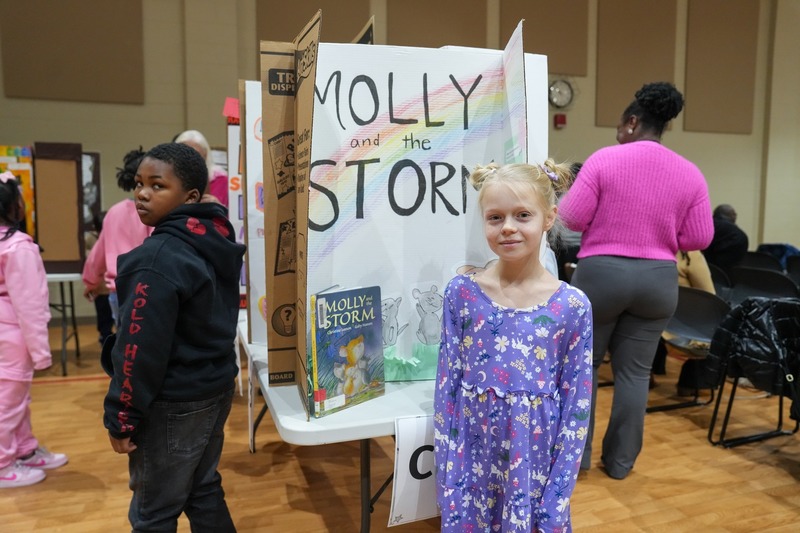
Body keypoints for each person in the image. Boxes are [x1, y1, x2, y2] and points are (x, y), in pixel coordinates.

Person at [559, 82, 714, 480]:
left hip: (602, 275)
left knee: (586, 370)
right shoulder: (691, 173)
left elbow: (572, 218)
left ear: (632, 122)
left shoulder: (604, 161)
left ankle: (577, 462)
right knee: (634, 375)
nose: (617, 133)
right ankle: (621, 464)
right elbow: (699, 239)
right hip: (657, 281)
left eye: (618, 126)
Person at [434, 161, 593, 532]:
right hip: (470, 470)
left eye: (522, 215)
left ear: (549, 218)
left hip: (532, 473)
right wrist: (447, 477)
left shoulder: (571, 307)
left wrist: (557, 495)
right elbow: (447, 390)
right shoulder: (462, 294)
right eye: (495, 217)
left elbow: (577, 409)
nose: (507, 227)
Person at [102, 143, 245, 531]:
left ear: (191, 196)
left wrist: (121, 416)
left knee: (154, 512)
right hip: (214, 389)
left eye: (157, 185)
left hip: (175, 402)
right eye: (138, 183)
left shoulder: (157, 259)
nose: (142, 193)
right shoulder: (215, 237)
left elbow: (138, 351)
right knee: (202, 489)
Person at [0, 171, 68, 488]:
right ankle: (3, 464)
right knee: (9, 403)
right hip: (12, 336)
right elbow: (29, 305)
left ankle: (24, 450)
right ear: (16, 206)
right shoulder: (18, 248)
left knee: (16, 399)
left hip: (7, 333)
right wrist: (41, 354)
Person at [82, 148, 151, 328]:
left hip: (117, 291)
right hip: (144, 292)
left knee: (123, 342)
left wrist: (91, 281)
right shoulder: (152, 213)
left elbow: (98, 252)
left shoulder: (114, 211)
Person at [174, 129, 229, 208]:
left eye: (196, 155)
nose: (190, 160)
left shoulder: (221, 180)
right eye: (184, 155)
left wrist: (219, 207)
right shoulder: (169, 180)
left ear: (205, 155)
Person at [702, 204, 748, 274]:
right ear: (733, 215)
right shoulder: (737, 234)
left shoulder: (705, 225)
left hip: (704, 269)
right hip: (726, 274)